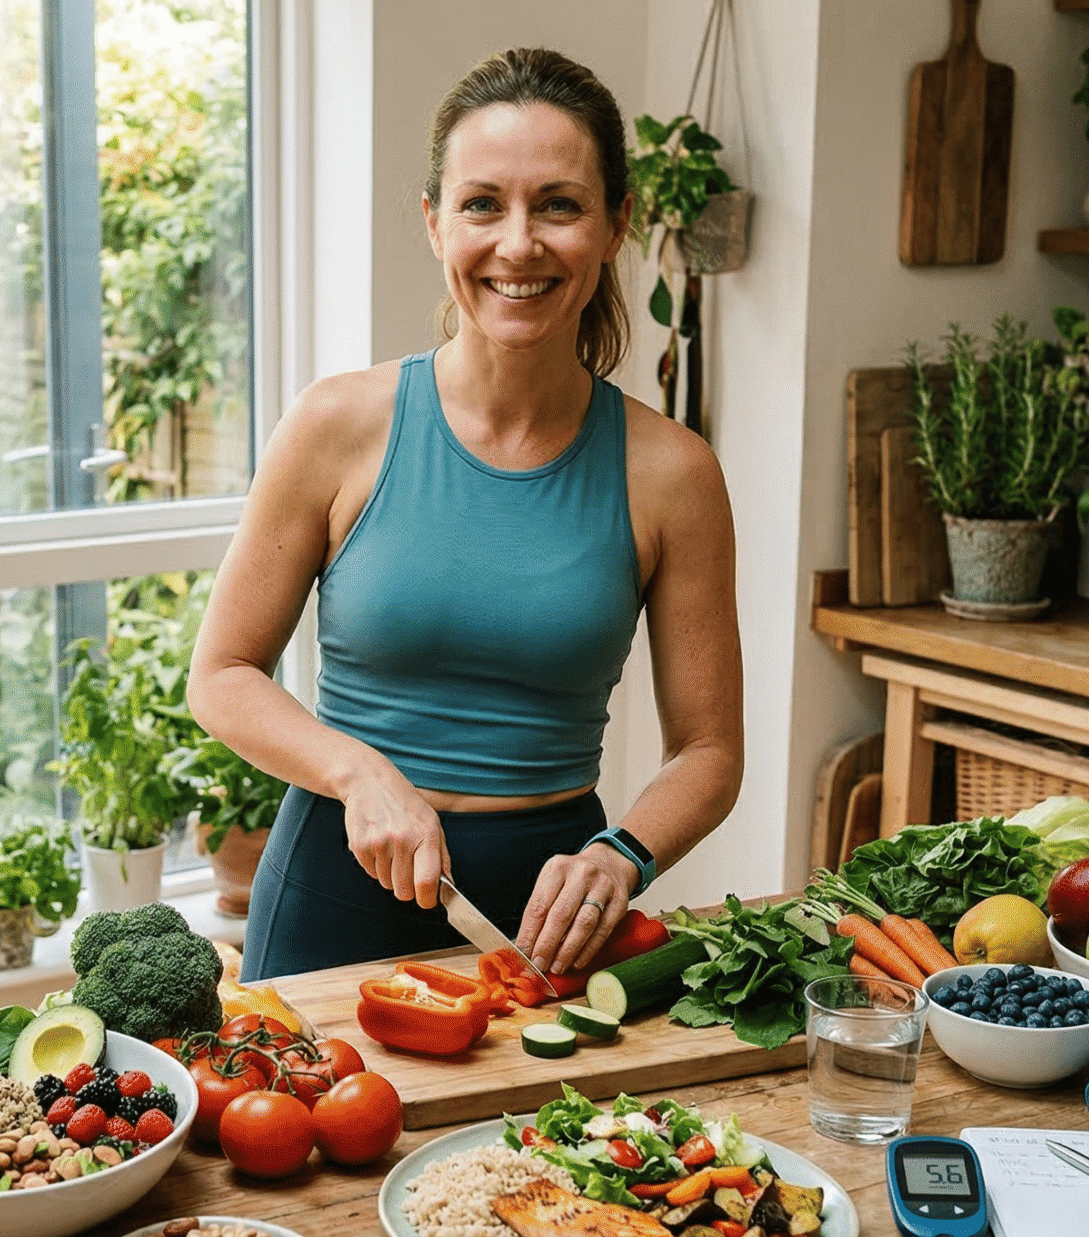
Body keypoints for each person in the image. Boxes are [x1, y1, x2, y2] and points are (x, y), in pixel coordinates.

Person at [188, 48, 743, 983]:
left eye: (559, 204)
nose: (517, 243)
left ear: (614, 227)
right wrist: (360, 772)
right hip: (335, 883)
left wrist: (626, 854)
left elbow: (710, 748)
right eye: (482, 203)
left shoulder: (672, 473)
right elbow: (223, 673)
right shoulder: (337, 425)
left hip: (547, 915)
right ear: (436, 223)